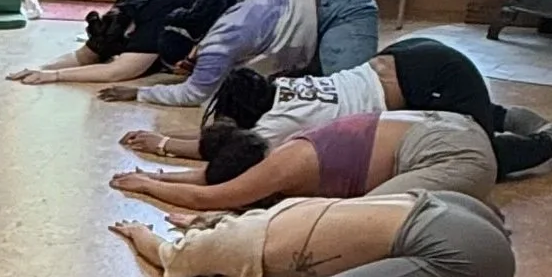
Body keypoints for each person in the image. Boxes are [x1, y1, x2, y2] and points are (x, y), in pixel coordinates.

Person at [111, 186, 517, 277]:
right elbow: (225, 221)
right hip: (452, 211)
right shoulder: (273, 214)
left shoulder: (223, 246)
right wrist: (205, 219)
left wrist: (137, 232)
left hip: (462, 256)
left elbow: (168, 256)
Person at [178, 39, 552, 183]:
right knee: (439, 116)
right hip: (407, 57)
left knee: (477, 154)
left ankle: (550, 143)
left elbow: (231, 172)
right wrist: (161, 142)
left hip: (436, 77)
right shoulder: (282, 85)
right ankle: (499, 114)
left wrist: (162, 171)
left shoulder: (277, 124)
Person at [104, 0, 379, 110]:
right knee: (301, 88)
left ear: (194, 49)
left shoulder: (220, 41)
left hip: (342, 6)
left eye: (186, 64)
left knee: (346, 94)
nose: (184, 70)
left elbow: (194, 93)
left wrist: (140, 93)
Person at [110, 108, 503, 213]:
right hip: (450, 126)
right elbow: (214, 179)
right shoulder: (270, 145)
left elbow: (213, 196)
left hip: (453, 153)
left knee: (373, 222)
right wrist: (154, 172)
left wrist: (148, 186)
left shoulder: (282, 168)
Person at [7, 0, 243, 88]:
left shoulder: (158, 22)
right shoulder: (120, 13)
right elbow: (86, 56)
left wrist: (55, 76)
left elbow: (119, 71)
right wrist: (39, 68)